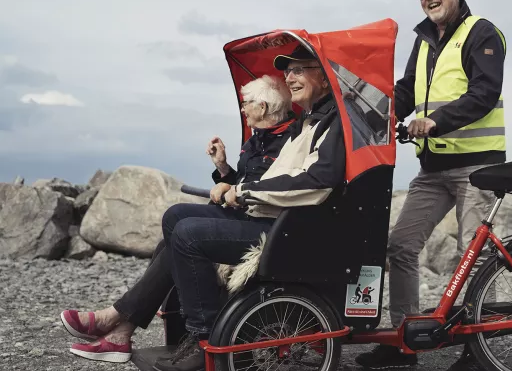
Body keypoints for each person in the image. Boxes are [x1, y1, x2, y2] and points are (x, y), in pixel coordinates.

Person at [60, 74, 296, 363]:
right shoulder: (256, 139)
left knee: (184, 236)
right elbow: (244, 183)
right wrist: (223, 169)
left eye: (246, 103)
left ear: (262, 107)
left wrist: (235, 189)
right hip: (244, 214)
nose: (242, 108)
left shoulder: (291, 142)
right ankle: (121, 328)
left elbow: (273, 189)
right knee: (175, 217)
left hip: (267, 225)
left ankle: (129, 324)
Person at [152, 44, 346, 371]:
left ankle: (203, 336)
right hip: (271, 216)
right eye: (288, 71)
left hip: (289, 230)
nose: (289, 78)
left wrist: (243, 191)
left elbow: (318, 181)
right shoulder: (306, 123)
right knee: (175, 217)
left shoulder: (331, 123)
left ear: (325, 79)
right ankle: (188, 315)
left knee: (187, 234)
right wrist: (229, 177)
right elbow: (271, 178)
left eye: (299, 70)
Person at [355, 0, 506, 371]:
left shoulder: (481, 33)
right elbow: (406, 91)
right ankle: (403, 343)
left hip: (477, 167)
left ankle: (480, 351)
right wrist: (368, 112)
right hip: (433, 168)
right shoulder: (423, 40)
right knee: (401, 246)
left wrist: (435, 120)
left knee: (472, 255)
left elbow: (484, 93)